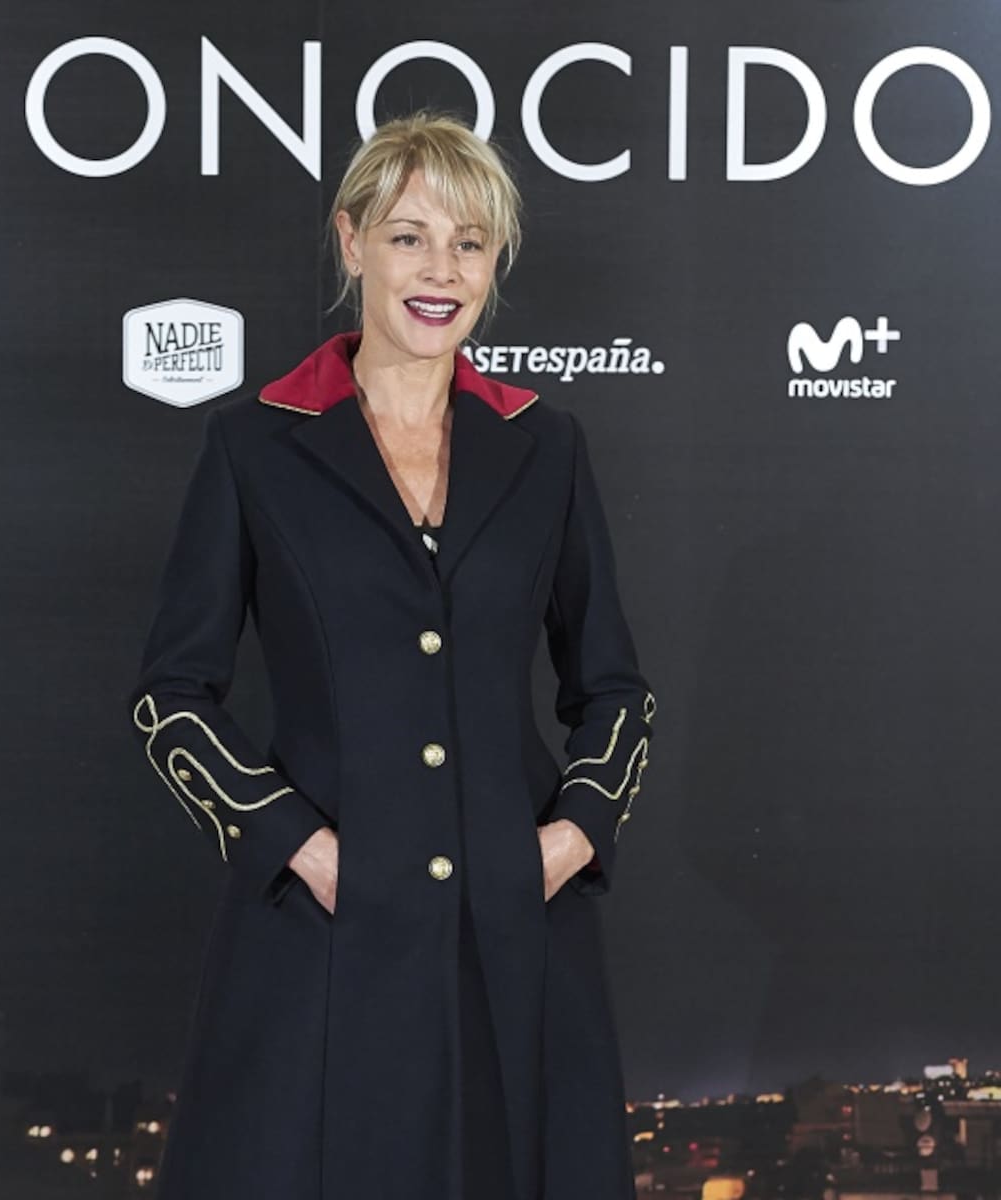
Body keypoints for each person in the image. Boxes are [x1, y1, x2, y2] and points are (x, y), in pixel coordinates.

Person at [128, 108, 656, 1200]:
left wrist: (567, 842)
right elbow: (173, 695)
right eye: (410, 236)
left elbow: (613, 688)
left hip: (516, 932)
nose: (440, 270)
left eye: (470, 242)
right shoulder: (253, 444)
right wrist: (299, 848)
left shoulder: (547, 445)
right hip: (319, 930)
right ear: (351, 240)